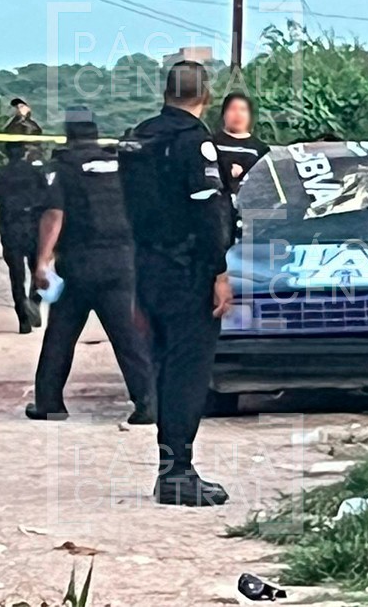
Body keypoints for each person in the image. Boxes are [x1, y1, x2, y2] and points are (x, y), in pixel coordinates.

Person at [120, 61, 233, 507]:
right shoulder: (194, 142)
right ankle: (178, 472)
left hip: (146, 264)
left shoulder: (136, 139)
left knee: (164, 366)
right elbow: (209, 210)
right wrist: (219, 270)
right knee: (188, 371)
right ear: (205, 95)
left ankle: (169, 469)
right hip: (187, 269)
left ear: (165, 92)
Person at [27, 108, 155, 424]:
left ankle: (49, 403)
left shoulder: (63, 167)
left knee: (60, 334)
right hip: (122, 260)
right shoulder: (119, 164)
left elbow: (54, 215)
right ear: (95, 134)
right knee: (128, 336)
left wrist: (42, 262)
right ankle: (148, 404)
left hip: (81, 263)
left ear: (69, 134)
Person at [0, 99, 46, 333]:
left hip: (10, 225)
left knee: (16, 275)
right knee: (39, 269)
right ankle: (34, 302)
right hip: (35, 225)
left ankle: (23, 319)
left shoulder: (0, 174)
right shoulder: (42, 172)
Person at [212, 92, 269, 195]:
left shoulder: (260, 148)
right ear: (224, 114)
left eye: (243, 109)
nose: (237, 114)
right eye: (232, 109)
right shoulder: (212, 142)